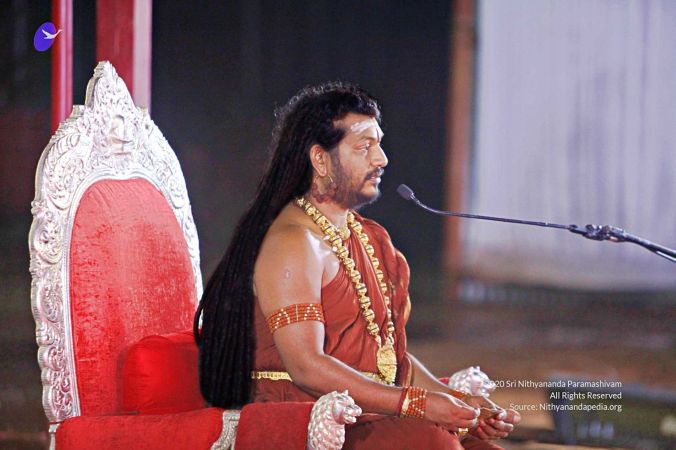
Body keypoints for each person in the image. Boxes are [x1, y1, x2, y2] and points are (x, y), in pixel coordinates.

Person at [195, 82, 520, 449]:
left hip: (366, 410)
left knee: (476, 444)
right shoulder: (294, 242)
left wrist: (460, 404)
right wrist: (417, 405)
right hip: (309, 417)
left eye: (379, 144)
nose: (381, 159)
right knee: (433, 441)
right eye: (365, 147)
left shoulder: (368, 237)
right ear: (320, 160)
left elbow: (386, 359)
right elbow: (305, 366)